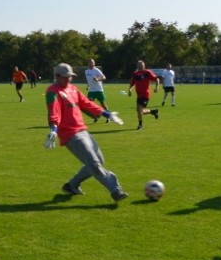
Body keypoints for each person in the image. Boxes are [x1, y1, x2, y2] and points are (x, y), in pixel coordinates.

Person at [44, 63, 127, 201]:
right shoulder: (52, 91)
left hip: (82, 130)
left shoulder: (73, 89)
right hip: (70, 134)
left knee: (99, 160)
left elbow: (87, 103)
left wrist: (107, 114)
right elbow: (54, 111)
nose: (68, 79)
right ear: (57, 76)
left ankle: (72, 185)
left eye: (70, 77)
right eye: (65, 77)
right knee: (94, 164)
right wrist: (53, 129)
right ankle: (116, 190)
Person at [129, 60, 160, 130]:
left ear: (144, 65)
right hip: (139, 95)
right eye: (139, 65)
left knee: (139, 109)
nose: (140, 66)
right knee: (140, 111)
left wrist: (157, 87)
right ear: (137, 66)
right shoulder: (135, 74)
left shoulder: (147, 72)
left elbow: (157, 79)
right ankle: (153, 111)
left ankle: (140, 125)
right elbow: (132, 82)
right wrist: (130, 89)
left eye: (141, 65)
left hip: (145, 94)